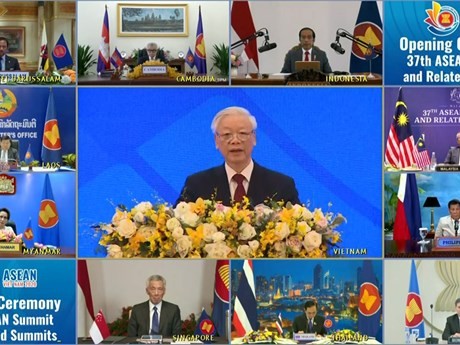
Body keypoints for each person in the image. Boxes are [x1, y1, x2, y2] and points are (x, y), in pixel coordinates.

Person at [176, 106, 300, 206]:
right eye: (227, 134)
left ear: (254, 138)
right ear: (216, 141)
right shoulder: (197, 184)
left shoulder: (282, 185)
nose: (235, 140)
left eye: (242, 133)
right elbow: (176, 228)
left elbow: (298, 229)